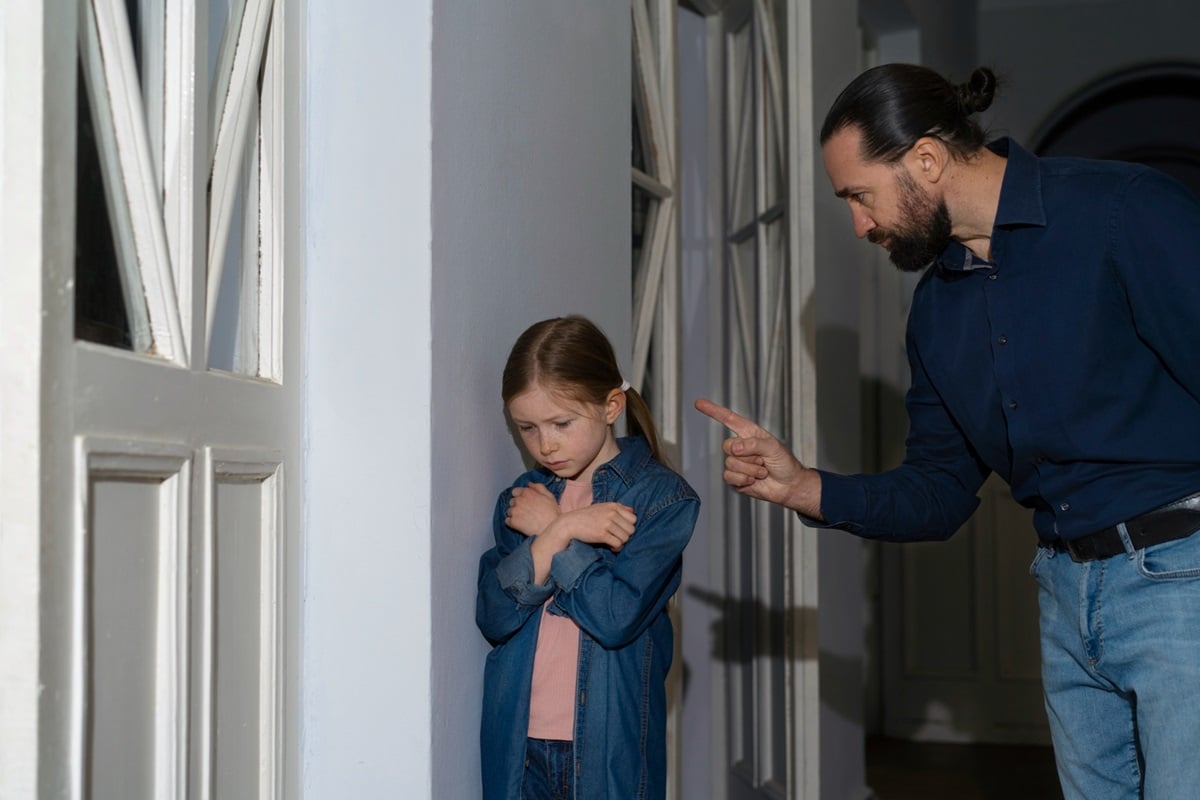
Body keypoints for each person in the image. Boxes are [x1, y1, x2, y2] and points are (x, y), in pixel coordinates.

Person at [697, 62, 1200, 800]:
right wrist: (805, 486)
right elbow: (938, 492)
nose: (859, 225)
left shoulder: (1125, 211)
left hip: (1180, 578)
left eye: (859, 197)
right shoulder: (935, 313)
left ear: (926, 160)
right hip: (1063, 595)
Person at [477, 315, 700, 800]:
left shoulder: (662, 499)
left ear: (610, 406)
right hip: (518, 741)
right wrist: (562, 527)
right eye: (527, 428)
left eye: (561, 423)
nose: (546, 444)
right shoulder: (525, 498)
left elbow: (616, 617)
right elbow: (495, 615)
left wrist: (555, 535)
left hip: (606, 744)